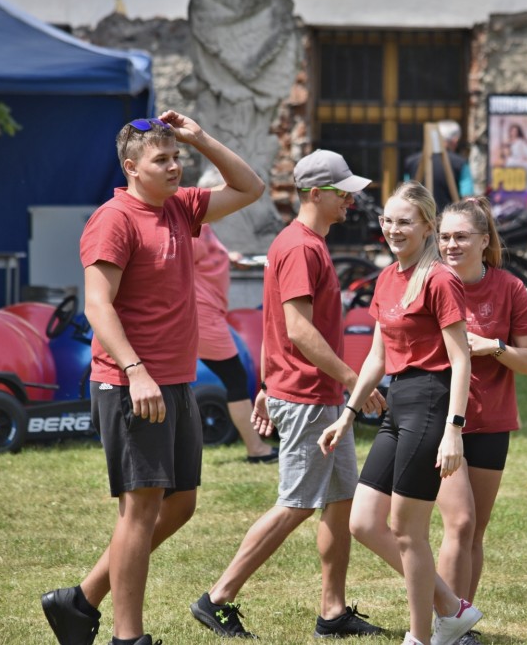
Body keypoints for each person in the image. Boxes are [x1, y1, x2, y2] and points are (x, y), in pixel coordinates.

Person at [41, 111, 266, 645]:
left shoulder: (180, 208)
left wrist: (200, 138)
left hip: (175, 381)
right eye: (161, 159)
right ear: (131, 168)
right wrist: (135, 371)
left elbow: (250, 188)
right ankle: (127, 637)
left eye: (176, 157)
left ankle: (79, 601)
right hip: (131, 385)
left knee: (180, 503)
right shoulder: (113, 220)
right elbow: (98, 306)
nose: (174, 166)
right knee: (139, 511)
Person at [189, 150, 387, 640]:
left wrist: (263, 385)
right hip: (307, 396)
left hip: (310, 392)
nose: (350, 200)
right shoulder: (300, 247)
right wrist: (353, 381)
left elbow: (272, 323)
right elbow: (297, 330)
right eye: (343, 193)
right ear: (315, 194)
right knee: (296, 504)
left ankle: (332, 612)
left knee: (340, 499)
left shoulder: (305, 243)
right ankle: (217, 599)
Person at [318, 181, 481, 645]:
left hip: (431, 401)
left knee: (407, 532)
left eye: (404, 222)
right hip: (399, 401)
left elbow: (461, 359)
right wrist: (348, 414)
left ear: (427, 226)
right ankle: (450, 607)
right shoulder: (388, 277)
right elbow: (377, 356)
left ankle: (420, 637)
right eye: (387, 220)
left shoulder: (440, 279)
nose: (393, 229)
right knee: (364, 522)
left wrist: (454, 429)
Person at [435, 196, 527, 644]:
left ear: (484, 241)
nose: (451, 245)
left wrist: (493, 346)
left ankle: (458, 624)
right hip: (443, 422)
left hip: (493, 421)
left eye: (461, 237)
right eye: (444, 237)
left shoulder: (509, 289)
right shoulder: (431, 281)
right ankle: (443, 622)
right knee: (458, 524)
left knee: (475, 530)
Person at [191, 223, 277, 462]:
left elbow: (203, 256)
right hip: (203, 317)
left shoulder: (203, 225)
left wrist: (227, 257)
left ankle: (256, 446)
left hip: (209, 314)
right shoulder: (188, 226)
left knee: (232, 379)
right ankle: (256, 449)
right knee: (235, 379)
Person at [404, 119, 473, 213]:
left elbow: (406, 192)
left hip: (419, 216)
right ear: (455, 140)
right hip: (448, 216)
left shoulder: (411, 161)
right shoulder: (460, 163)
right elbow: (467, 196)